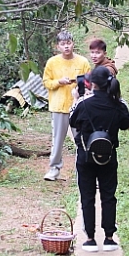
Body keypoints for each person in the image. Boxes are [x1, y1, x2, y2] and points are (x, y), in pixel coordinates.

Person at [69, 65, 129, 252]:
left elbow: (73, 121)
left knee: (87, 196)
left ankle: (90, 238)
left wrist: (76, 99)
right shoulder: (118, 104)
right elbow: (126, 124)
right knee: (108, 196)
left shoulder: (84, 104)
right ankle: (109, 237)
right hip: (109, 157)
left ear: (92, 84)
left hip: (85, 157)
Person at [41, 30, 91, 181]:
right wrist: (58, 82)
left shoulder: (82, 62)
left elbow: (89, 82)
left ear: (73, 43)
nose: (66, 47)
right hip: (58, 106)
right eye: (63, 44)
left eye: (68, 43)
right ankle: (54, 169)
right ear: (58, 46)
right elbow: (46, 83)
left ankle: (84, 170)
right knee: (57, 140)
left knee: (82, 139)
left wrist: (80, 84)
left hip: (79, 106)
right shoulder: (52, 62)